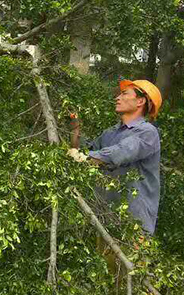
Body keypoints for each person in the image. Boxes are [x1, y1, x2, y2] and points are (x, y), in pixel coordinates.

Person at [68, 79, 163, 234]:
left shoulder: (147, 132)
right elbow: (85, 150)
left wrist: (82, 157)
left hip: (133, 224)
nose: (117, 98)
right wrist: (75, 125)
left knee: (131, 259)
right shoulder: (111, 132)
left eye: (124, 94)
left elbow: (119, 153)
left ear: (140, 101)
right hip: (104, 220)